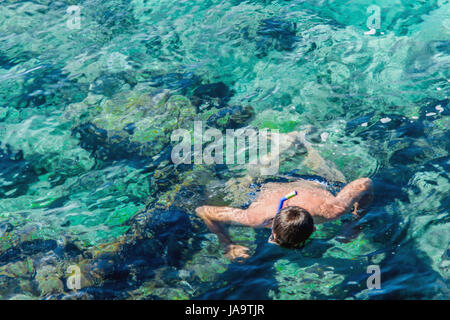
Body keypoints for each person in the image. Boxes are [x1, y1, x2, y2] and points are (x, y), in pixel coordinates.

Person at [195, 129, 373, 261]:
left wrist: (356, 220)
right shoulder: (253, 217)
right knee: (244, 183)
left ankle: (296, 147)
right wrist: (227, 245)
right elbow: (202, 210)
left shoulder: (333, 210)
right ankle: (288, 148)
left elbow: (364, 183)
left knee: (333, 176)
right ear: (313, 230)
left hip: (303, 182)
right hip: (281, 184)